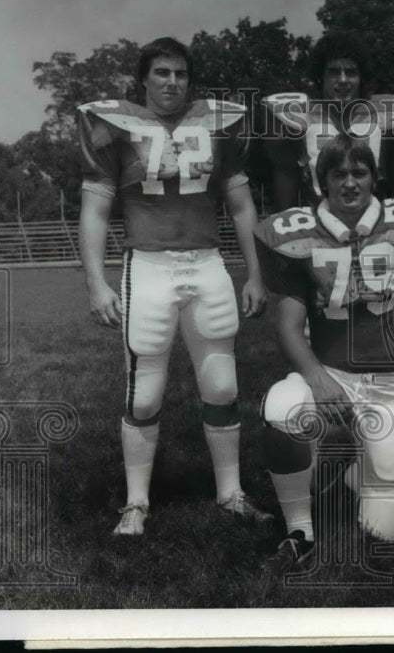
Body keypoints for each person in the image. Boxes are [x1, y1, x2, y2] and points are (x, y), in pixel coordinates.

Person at [78, 36, 270, 536]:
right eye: (161, 73)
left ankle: (231, 493)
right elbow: (96, 210)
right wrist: (96, 282)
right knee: (143, 397)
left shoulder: (216, 125)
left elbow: (243, 204)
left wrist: (255, 271)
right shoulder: (118, 129)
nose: (171, 82)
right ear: (143, 79)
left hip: (207, 263)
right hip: (148, 265)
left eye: (180, 74)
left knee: (224, 387)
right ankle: (136, 503)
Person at [254, 133, 394, 565]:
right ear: (322, 181)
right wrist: (318, 380)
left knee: (381, 532)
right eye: (338, 174)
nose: (349, 183)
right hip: (334, 372)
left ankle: (353, 473)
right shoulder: (300, 234)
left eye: (359, 172)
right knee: (282, 409)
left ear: (374, 177)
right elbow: (287, 325)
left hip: (392, 383)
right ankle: (299, 529)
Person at [262, 30, 394, 210]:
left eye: (351, 72)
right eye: (334, 72)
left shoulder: (390, 118)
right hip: (317, 226)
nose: (343, 80)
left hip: (376, 228)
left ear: (362, 78)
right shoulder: (295, 118)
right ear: (320, 77)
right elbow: (286, 203)